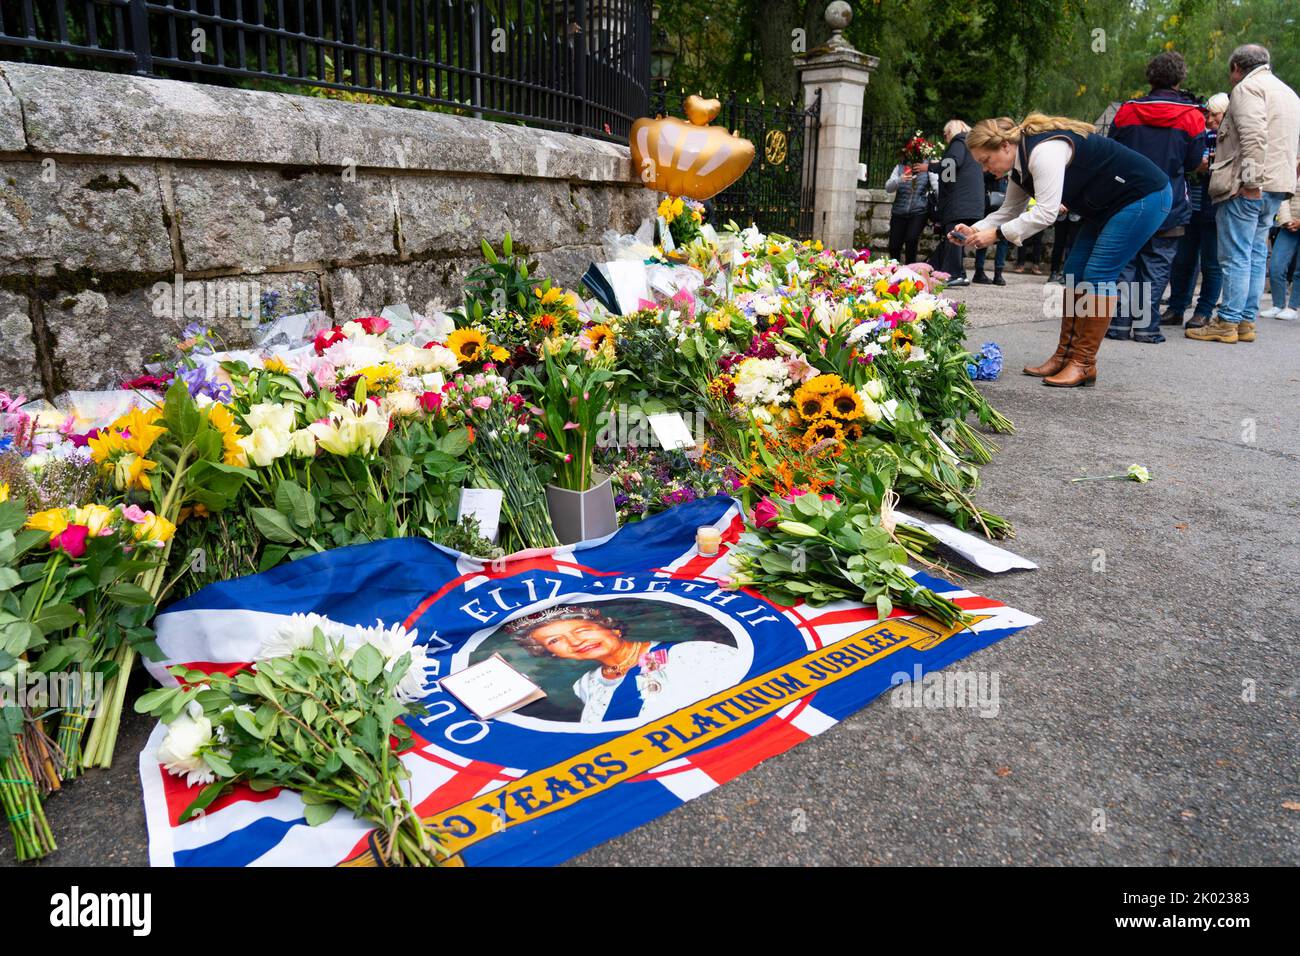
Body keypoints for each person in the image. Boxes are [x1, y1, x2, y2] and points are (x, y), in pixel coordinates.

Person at [956, 114, 1172, 388]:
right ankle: (1065, 355)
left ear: (1005, 147)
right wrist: (975, 230)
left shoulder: (1043, 152)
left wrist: (996, 235)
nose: (985, 169)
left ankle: (1083, 363)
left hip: (1144, 196)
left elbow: (1046, 213)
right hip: (1109, 206)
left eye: (985, 161)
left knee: (1097, 275)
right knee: (1073, 271)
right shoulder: (1020, 164)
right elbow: (1009, 211)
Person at [1188, 44, 1300, 344]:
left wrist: (1250, 182)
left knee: (1236, 256)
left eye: (1231, 71)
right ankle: (1245, 322)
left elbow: (1253, 136)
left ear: (1237, 67)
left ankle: (1227, 322)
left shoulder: (1248, 89)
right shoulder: (1288, 93)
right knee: (1253, 255)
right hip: (1277, 185)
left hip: (1249, 185)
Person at [1105, 51, 1207, 344]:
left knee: (1126, 261)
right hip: (1169, 202)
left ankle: (1119, 324)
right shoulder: (1192, 116)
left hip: (1128, 199)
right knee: (1158, 263)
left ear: (1150, 76)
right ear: (1180, 78)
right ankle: (1147, 327)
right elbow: (1191, 163)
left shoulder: (1127, 111)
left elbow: (1111, 154)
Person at [506, 605, 745, 724]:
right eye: (555, 641)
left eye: (583, 630)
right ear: (550, 652)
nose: (576, 641)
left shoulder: (688, 654)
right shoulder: (586, 684)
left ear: (614, 628)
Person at [1163, 92, 1229, 330]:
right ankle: (1177, 307)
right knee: (1182, 260)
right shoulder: (1200, 134)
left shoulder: (1231, 138)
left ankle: (1203, 311)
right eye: (1207, 114)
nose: (1209, 119)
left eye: (1215, 114)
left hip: (1214, 207)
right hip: (1193, 205)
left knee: (1211, 262)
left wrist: (1207, 166)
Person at [932, 119, 985, 286]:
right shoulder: (971, 146)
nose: (946, 139)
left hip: (958, 201)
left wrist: (943, 180)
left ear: (951, 132)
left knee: (953, 234)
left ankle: (953, 273)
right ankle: (960, 272)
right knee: (958, 237)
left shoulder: (958, 142)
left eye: (945, 135)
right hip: (972, 201)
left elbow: (951, 164)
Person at [884, 158, 938, 264]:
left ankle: (910, 270)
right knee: (893, 246)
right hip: (899, 212)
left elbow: (937, 187)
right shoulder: (900, 167)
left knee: (911, 239)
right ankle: (894, 270)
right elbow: (888, 188)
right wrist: (899, 180)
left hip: (919, 212)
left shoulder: (927, 167)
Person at [1263, 189, 1300, 320]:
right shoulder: (1293, 168)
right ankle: (1278, 305)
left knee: (1299, 271)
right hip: (1288, 225)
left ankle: (1293, 307)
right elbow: (1284, 194)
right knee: (1276, 266)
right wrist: (1286, 220)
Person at [972, 169, 1009, 284]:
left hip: (1004, 203)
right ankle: (979, 271)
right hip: (988, 203)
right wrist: (995, 174)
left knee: (1004, 237)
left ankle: (998, 273)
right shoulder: (987, 160)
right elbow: (980, 176)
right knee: (982, 237)